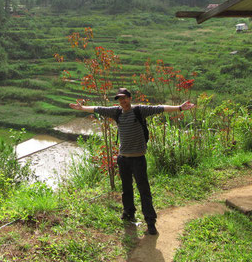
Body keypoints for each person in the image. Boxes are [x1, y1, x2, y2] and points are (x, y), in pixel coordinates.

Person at [69, 87, 195, 235]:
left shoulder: (139, 110)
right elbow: (98, 109)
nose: (123, 101)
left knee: (144, 191)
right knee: (126, 189)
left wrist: (180, 108)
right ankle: (129, 212)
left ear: (130, 98)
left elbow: (160, 108)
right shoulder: (117, 112)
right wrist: (82, 108)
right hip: (123, 159)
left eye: (125, 98)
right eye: (120, 99)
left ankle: (150, 222)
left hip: (138, 159)